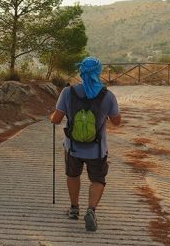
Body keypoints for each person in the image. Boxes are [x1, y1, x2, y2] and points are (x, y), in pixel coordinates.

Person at [49, 56, 121, 232]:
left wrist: (53, 116)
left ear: (81, 72)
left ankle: (74, 209)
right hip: (97, 150)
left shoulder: (68, 92)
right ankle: (91, 210)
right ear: (98, 73)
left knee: (73, 175)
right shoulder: (107, 95)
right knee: (97, 179)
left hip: (73, 148)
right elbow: (117, 121)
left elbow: (56, 120)